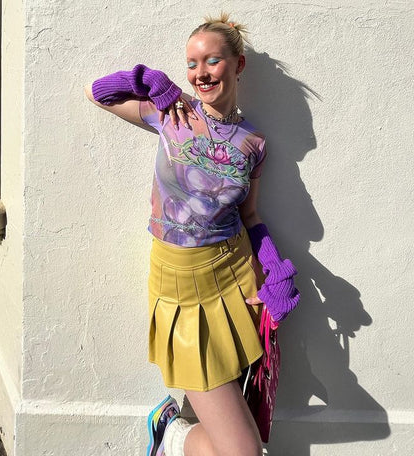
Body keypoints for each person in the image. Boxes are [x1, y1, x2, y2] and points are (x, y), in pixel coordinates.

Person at [85, 13, 299, 456]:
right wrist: (147, 80)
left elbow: (249, 213)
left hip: (234, 278)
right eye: (191, 63)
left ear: (238, 65)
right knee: (244, 451)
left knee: (241, 442)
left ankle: (174, 433)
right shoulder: (171, 113)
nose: (201, 73)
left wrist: (274, 267)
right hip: (179, 286)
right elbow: (96, 93)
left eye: (212, 61)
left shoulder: (254, 143)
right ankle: (174, 433)